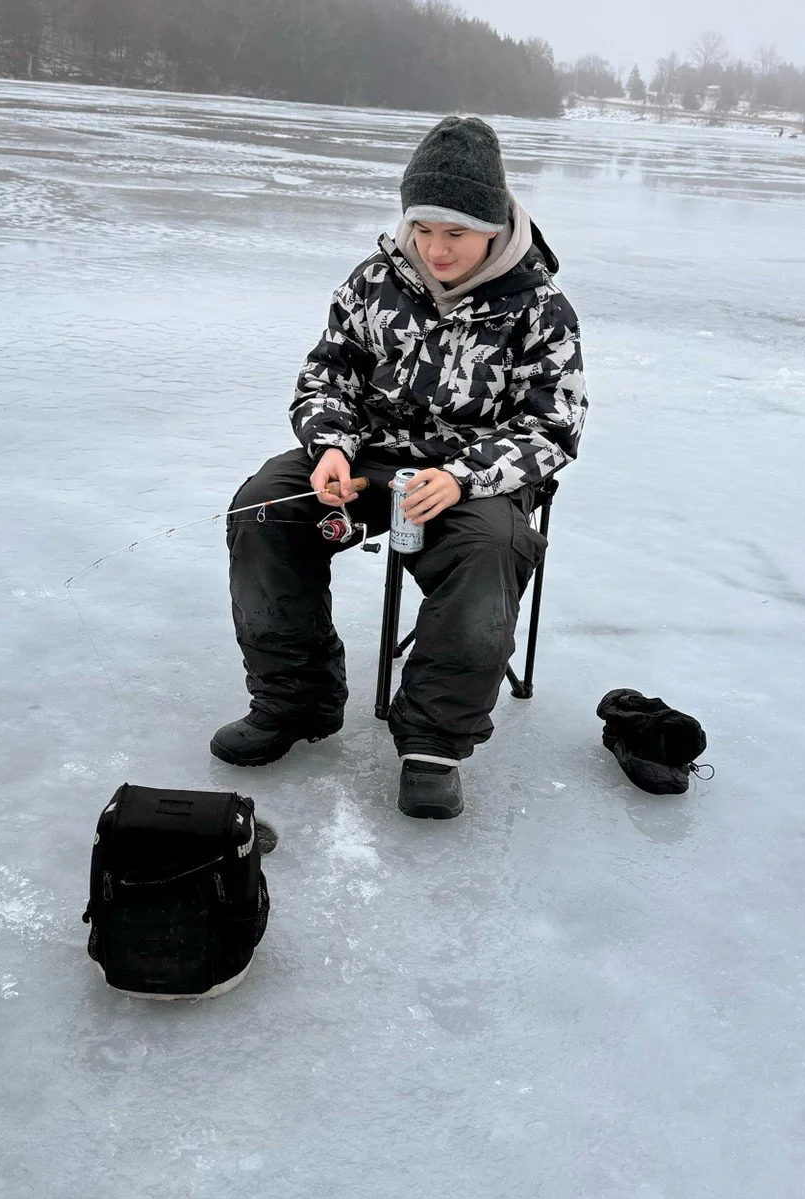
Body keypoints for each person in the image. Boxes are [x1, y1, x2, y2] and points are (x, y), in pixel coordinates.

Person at [211, 115, 587, 820]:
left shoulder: (541, 310)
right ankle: (295, 701)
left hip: (471, 484)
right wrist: (331, 448)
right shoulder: (374, 280)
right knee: (264, 507)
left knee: (492, 549)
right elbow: (326, 377)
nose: (435, 248)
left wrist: (466, 476)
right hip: (369, 465)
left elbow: (553, 428)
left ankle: (433, 745)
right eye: (423, 228)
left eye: (455, 232)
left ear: (494, 226)